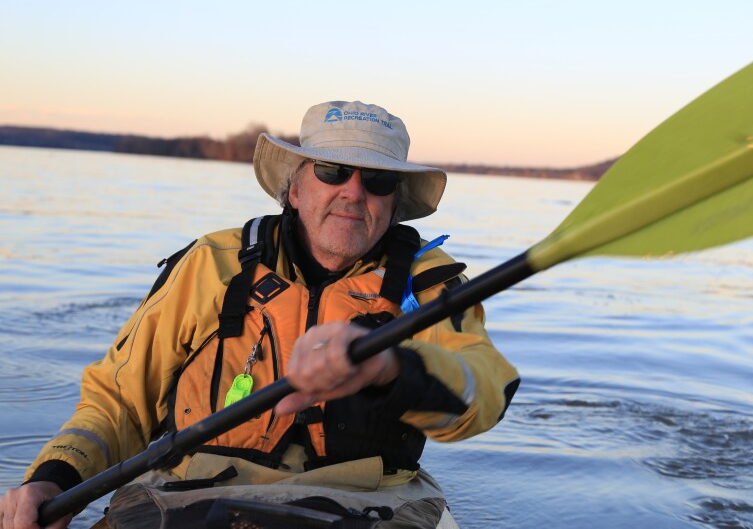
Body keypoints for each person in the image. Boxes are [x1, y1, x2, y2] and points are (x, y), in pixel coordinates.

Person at [0, 101, 520, 529]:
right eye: (332, 171)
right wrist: (54, 477)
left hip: (371, 502)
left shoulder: (430, 283)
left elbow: (483, 391)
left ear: (394, 202)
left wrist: (395, 370)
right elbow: (120, 401)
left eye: (378, 180)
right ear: (294, 189)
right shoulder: (212, 264)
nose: (354, 191)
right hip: (188, 494)